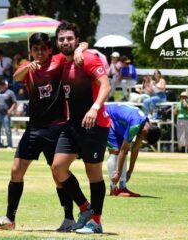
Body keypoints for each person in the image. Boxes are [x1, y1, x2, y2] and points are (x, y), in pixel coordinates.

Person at [0, 32, 88, 232]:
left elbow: (83, 42)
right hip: (33, 128)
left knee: (58, 174)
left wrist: (79, 49)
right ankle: (10, 218)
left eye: (43, 48)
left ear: (50, 49)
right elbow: (16, 77)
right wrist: (26, 66)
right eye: (35, 49)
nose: (40, 52)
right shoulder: (29, 66)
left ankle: (70, 216)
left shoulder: (58, 59)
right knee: (16, 170)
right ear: (31, 51)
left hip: (56, 126)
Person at [51, 21, 111, 234]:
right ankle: (85, 208)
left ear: (76, 40)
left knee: (92, 172)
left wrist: (94, 108)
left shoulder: (87, 58)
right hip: (72, 125)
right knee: (57, 167)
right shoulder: (62, 60)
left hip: (95, 124)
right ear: (57, 42)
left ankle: (96, 222)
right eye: (61, 39)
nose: (65, 41)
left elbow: (106, 85)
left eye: (70, 38)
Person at [106, 103, 161, 197]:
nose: (142, 140)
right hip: (108, 117)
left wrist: (130, 171)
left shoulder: (145, 125)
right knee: (115, 151)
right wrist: (118, 173)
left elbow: (135, 149)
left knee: (124, 151)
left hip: (119, 123)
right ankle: (113, 188)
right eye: (144, 139)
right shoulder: (135, 126)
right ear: (145, 132)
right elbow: (123, 150)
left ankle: (122, 187)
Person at [0, 80, 17, 149]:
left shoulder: (10, 93)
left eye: (3, 84)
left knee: (7, 130)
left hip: (6, 115)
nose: (1, 86)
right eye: (0, 84)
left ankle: (9, 145)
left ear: (6, 85)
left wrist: (10, 110)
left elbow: (14, 102)